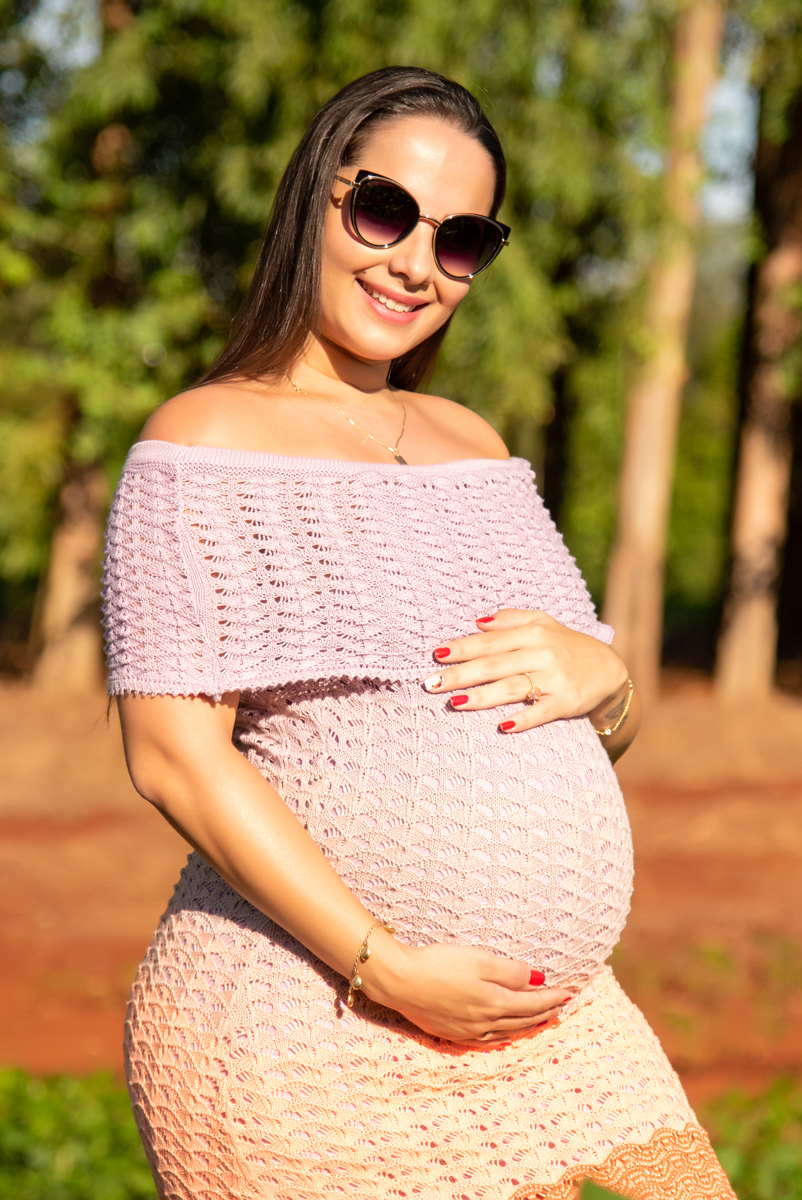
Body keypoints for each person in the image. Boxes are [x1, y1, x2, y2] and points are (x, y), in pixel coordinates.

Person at [103, 66, 735, 1200]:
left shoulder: (473, 444)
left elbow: (576, 723)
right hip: (306, 1027)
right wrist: (385, 966)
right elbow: (174, 759)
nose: (411, 263)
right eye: (384, 209)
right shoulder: (204, 440)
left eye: (459, 240)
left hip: (555, 1034)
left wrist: (611, 685)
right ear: (316, 195)